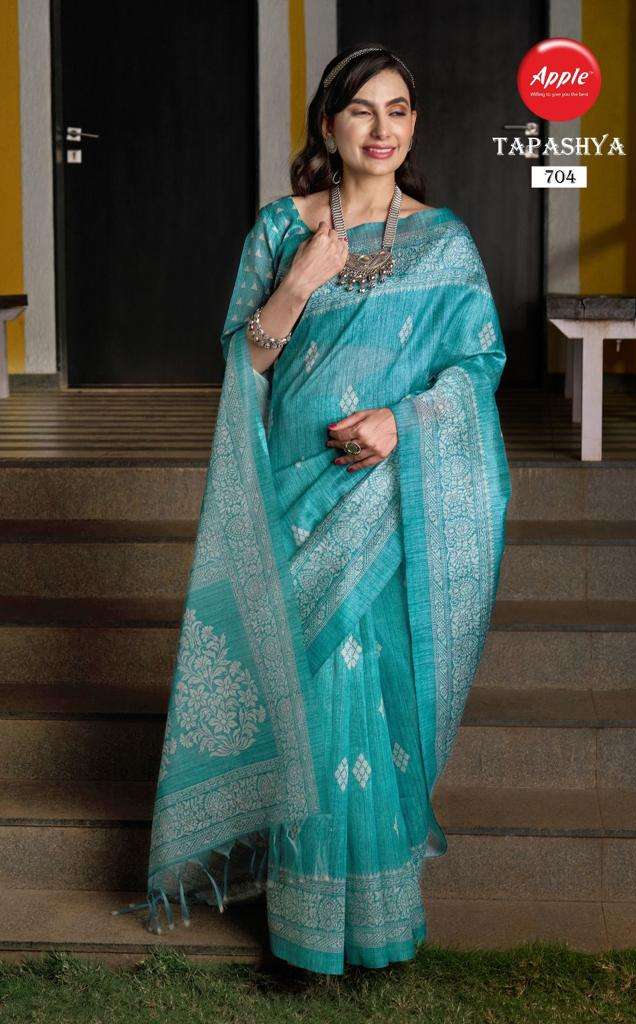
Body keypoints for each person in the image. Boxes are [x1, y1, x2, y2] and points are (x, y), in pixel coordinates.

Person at [113, 43, 511, 976]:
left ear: (413, 126)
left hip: (384, 498)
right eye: (363, 110)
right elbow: (245, 361)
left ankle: (368, 925)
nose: (382, 128)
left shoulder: (445, 241)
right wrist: (299, 281)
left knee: (356, 700)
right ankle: (302, 930)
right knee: (301, 696)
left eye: (399, 110)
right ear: (328, 125)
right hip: (290, 496)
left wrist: (401, 424)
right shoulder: (279, 228)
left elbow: (479, 363)